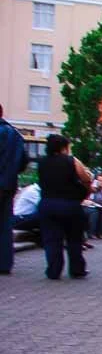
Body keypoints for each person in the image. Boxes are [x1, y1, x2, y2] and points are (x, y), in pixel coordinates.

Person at [37, 134, 91, 280]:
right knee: (74, 238)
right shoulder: (71, 161)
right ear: (64, 147)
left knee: (51, 240)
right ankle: (77, 269)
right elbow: (86, 178)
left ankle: (53, 270)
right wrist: (85, 190)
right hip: (70, 204)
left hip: (47, 203)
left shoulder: (42, 162)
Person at [0, 103, 28, 275]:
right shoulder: (15, 134)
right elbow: (23, 161)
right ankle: (4, 263)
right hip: (9, 185)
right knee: (5, 224)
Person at [86, 172, 102, 238]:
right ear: (96, 181)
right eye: (100, 180)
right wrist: (98, 188)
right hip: (92, 204)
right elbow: (91, 198)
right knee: (95, 211)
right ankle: (92, 233)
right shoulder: (93, 186)